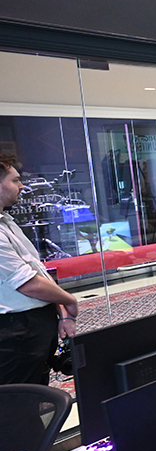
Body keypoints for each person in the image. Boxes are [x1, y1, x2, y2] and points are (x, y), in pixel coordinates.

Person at [0, 154, 79, 385]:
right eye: (15, 180)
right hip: (15, 332)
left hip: (30, 328)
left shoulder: (6, 222)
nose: (22, 185)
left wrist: (62, 311)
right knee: (19, 405)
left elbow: (37, 274)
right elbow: (27, 283)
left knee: (35, 393)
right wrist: (69, 299)